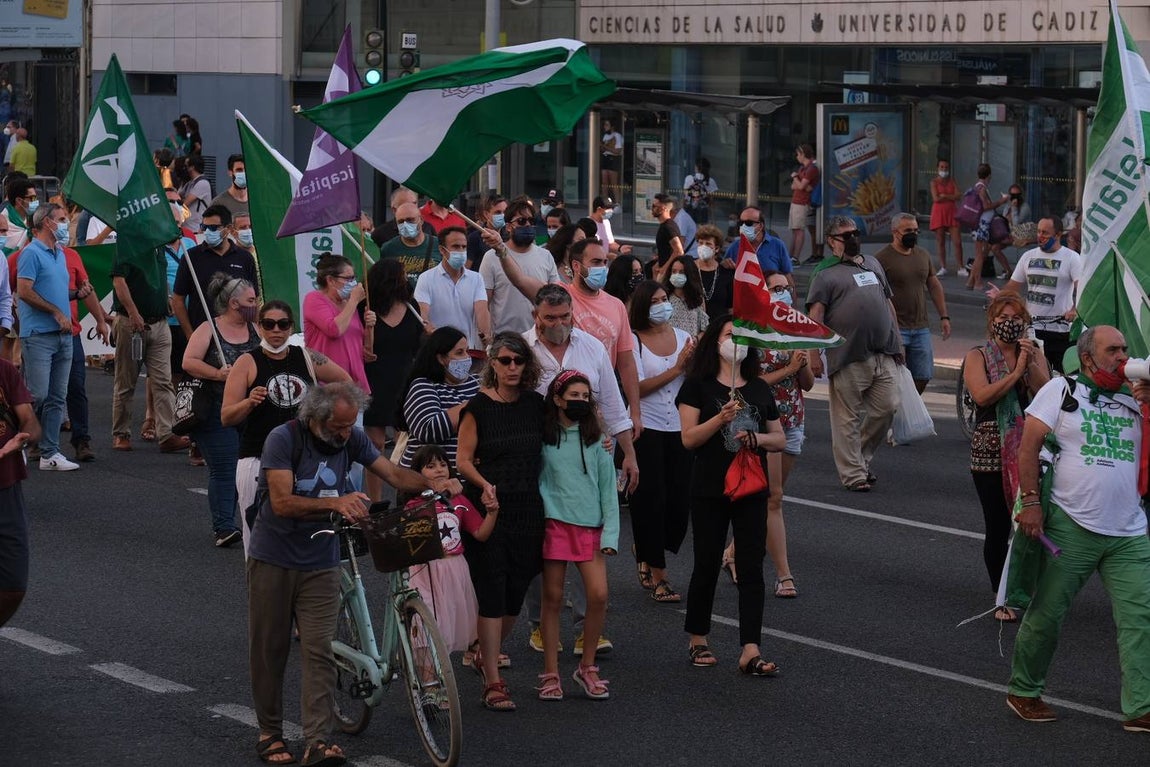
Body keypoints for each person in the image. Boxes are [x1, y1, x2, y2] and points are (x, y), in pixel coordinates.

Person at [247, 382, 454, 766]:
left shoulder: (353, 439)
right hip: (274, 558)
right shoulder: (283, 439)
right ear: (314, 418)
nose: (344, 435)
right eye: (337, 427)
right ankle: (270, 732)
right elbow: (281, 502)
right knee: (270, 650)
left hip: (322, 559)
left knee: (319, 652)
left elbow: (392, 473)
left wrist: (435, 484)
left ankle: (317, 741)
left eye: (348, 426)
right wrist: (336, 502)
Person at [1005, 325, 1150, 732]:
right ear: (1088, 358)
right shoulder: (1060, 390)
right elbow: (1028, 446)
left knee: (1140, 620)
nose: (1123, 357)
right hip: (1071, 525)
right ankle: (1025, 690)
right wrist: (1031, 502)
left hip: (1129, 531)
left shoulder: (1137, 399)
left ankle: (1141, 707)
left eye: (1125, 349)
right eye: (1113, 350)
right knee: (1048, 614)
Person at [677, 315, 785, 675]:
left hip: (751, 487)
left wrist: (756, 439)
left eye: (741, 336)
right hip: (709, 487)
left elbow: (779, 438)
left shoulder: (757, 387)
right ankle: (697, 638)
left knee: (752, 566)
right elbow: (689, 438)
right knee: (706, 563)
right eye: (729, 334)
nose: (735, 341)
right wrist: (719, 420)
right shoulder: (698, 386)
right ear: (715, 341)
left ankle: (750, 648)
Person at [455, 332, 547, 711]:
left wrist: (603, 441)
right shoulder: (477, 408)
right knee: (492, 587)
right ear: (492, 363)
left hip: (529, 506)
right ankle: (493, 678)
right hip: (490, 508)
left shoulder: (536, 405)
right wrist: (483, 485)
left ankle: (483, 651)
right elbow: (462, 460)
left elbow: (566, 435)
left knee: (517, 589)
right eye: (505, 360)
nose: (512, 367)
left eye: (518, 361)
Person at [221, 300, 351, 554]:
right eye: (269, 324)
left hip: (304, 459)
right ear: (259, 327)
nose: (276, 330)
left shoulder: (307, 356)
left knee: (307, 532)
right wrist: (249, 402)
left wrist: (324, 410)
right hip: (257, 457)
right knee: (257, 535)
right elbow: (226, 416)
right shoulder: (246, 362)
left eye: (283, 324)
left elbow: (345, 381)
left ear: (291, 327)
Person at [962, 293, 1049, 622]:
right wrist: (1014, 375)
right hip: (989, 448)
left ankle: (1027, 587)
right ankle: (1002, 595)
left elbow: (1047, 393)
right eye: (1003, 317)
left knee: (1032, 522)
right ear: (992, 321)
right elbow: (982, 394)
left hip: (1029, 445)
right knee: (998, 525)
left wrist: (1030, 365)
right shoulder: (978, 355)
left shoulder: (1032, 351)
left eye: (1015, 317)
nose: (1009, 323)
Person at [536, 370, 618, 701]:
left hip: (590, 526)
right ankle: (551, 673)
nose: (580, 402)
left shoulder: (597, 439)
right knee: (552, 599)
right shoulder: (543, 438)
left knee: (598, 595)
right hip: (554, 524)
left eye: (586, 397)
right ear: (557, 399)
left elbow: (608, 489)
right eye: (574, 396)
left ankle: (586, 667)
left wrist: (610, 535)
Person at [807, 216, 902, 492]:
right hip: (847, 355)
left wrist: (899, 342)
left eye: (855, 233)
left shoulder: (872, 263)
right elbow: (816, 316)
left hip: (883, 352)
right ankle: (853, 475)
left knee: (888, 406)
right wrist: (814, 355)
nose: (852, 239)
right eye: (845, 235)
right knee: (846, 418)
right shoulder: (825, 274)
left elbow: (887, 304)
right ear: (832, 242)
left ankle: (859, 457)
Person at [182, 274, 261, 547]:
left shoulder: (258, 329)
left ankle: (253, 520)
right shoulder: (209, 329)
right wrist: (218, 373)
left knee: (252, 467)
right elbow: (189, 362)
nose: (256, 304)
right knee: (226, 467)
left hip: (251, 408)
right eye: (251, 300)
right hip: (215, 408)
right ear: (234, 303)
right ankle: (224, 526)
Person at [629, 281, 694, 601]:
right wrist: (678, 368)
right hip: (647, 428)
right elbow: (636, 388)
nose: (661, 305)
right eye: (654, 300)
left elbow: (695, 380)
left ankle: (646, 547)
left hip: (681, 429)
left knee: (679, 504)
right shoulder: (633, 341)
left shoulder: (684, 339)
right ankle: (660, 576)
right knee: (651, 502)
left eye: (664, 299)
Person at [405, 444, 493, 652]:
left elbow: (480, 533)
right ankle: (428, 679)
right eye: (431, 466)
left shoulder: (459, 500)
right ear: (417, 474)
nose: (439, 470)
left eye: (443, 465)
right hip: (425, 569)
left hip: (456, 568)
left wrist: (492, 512)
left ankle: (460, 661)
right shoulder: (413, 505)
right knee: (425, 623)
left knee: (455, 618)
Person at [110, 239, 188, 454]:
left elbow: (158, 281)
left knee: (163, 381)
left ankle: (167, 433)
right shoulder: (127, 246)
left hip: (159, 322)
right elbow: (119, 281)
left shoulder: (159, 249)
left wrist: (166, 300)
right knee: (126, 382)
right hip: (131, 323)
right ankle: (121, 434)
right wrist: (134, 313)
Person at [15, 203, 78, 471]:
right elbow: (24, 291)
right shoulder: (31, 253)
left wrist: (76, 296)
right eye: (61, 219)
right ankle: (15, 443)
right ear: (46, 223)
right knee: (37, 394)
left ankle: (49, 453)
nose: (65, 224)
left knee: (56, 396)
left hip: (63, 335)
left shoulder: (59, 253)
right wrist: (55, 312)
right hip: (39, 335)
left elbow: (55, 290)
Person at [987, 217, 1080, 374]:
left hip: (1060, 330)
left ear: (1057, 235)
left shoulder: (1071, 258)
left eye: (1045, 233)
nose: (1040, 236)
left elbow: (1081, 287)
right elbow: (1013, 286)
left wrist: (1074, 309)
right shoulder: (1028, 256)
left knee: (1060, 374)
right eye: (1038, 232)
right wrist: (1000, 296)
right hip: (1032, 328)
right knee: (1029, 372)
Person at [362, 259, 423, 492]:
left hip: (404, 380)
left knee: (404, 444)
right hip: (374, 378)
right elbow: (364, 349)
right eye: (402, 275)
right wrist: (369, 327)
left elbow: (418, 345)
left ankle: (405, 496)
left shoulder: (411, 306)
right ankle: (376, 502)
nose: (406, 280)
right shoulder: (366, 308)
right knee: (375, 444)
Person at [875, 212, 951, 394]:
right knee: (895, 375)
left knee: (924, 374)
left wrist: (944, 316)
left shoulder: (922, 255)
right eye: (908, 230)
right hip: (895, 328)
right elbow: (874, 294)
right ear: (895, 232)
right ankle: (898, 408)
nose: (913, 234)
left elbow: (933, 285)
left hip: (920, 327)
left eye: (916, 230)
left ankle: (910, 403)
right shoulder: (882, 258)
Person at [396, 326, 480, 468]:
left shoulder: (477, 383)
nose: (466, 358)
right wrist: (476, 404)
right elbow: (429, 430)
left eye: (467, 351)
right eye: (459, 353)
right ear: (441, 358)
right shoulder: (423, 386)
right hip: (427, 478)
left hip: (469, 476)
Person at [172, 205, 260, 339]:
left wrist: (255, 332)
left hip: (240, 335)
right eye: (204, 227)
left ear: (228, 229)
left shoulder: (244, 258)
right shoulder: (191, 257)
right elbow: (178, 300)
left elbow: (254, 300)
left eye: (213, 228)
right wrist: (190, 335)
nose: (207, 231)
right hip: (204, 336)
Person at [478, 199, 560, 334]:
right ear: (509, 226)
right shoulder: (491, 257)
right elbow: (483, 302)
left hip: (540, 338)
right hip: (505, 339)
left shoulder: (546, 256)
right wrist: (486, 336)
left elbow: (556, 296)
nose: (527, 225)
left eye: (531, 221)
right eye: (521, 221)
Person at [0, 356, 39, 629]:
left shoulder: (4, 370)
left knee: (13, 586)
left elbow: (30, 421)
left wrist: (24, 436)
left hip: (6, 486)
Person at [304, 253, 375, 396]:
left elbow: (366, 351)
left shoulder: (348, 305)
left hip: (355, 386)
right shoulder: (314, 299)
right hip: (327, 386)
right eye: (348, 278)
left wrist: (370, 326)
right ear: (330, 280)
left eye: (354, 278)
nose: (353, 283)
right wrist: (354, 301)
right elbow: (334, 330)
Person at [413, 226, 491, 352]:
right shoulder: (426, 279)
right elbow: (423, 312)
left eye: (464, 247)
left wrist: (486, 334)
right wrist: (427, 326)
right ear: (442, 250)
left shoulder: (476, 279)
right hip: (438, 352)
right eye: (455, 246)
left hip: (467, 351)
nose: (460, 251)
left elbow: (482, 310)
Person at [724, 206, 794, 291]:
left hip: (771, 298)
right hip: (744, 299)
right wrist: (724, 265)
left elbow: (788, 277)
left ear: (760, 225)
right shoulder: (734, 247)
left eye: (748, 223)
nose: (743, 226)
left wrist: (792, 303)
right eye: (741, 223)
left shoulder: (777, 245)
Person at [966, 163, 1012, 291]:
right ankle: (977, 281)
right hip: (982, 225)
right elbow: (985, 206)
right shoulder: (982, 188)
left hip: (979, 225)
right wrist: (1001, 201)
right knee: (980, 254)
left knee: (983, 252)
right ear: (989, 176)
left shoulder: (977, 187)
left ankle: (970, 281)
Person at [380, 201, 440, 289]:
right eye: (400, 221)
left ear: (421, 220)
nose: (405, 225)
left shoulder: (439, 245)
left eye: (410, 220)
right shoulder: (388, 249)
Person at [930, 159, 964, 277]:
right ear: (938, 168)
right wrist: (951, 197)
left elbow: (959, 195)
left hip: (952, 213)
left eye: (946, 167)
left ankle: (961, 267)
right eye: (942, 167)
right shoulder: (934, 182)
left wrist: (945, 195)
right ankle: (943, 267)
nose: (944, 170)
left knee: (957, 241)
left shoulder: (951, 181)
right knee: (941, 242)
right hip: (939, 214)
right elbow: (936, 199)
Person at [695, 224, 734, 321]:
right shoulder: (688, 268)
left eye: (708, 244)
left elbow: (731, 307)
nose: (703, 246)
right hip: (693, 328)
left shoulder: (726, 272)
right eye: (700, 243)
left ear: (716, 248)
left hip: (718, 327)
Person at [662, 256, 709, 336]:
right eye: (674, 271)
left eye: (681, 272)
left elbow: (704, 328)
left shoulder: (698, 298)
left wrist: (696, 340)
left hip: (691, 346)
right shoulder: (664, 297)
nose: (677, 275)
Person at [789, 145, 819, 263]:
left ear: (802, 154)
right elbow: (795, 186)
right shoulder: (803, 168)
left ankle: (795, 257)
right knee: (794, 229)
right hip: (796, 201)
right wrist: (800, 184)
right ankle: (791, 255)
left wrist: (795, 177)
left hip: (802, 203)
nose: (797, 157)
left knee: (799, 230)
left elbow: (801, 186)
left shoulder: (811, 169)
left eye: (798, 154)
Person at [467, 193, 506, 269]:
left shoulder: (510, 236)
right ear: (486, 214)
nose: (502, 215)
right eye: (498, 212)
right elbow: (466, 268)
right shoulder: (475, 238)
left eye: (505, 212)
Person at [649, 194, 683, 282]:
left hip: (667, 274)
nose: (652, 208)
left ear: (663, 208)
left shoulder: (668, 227)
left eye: (654, 206)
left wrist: (664, 268)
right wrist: (657, 265)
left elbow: (679, 251)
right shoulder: (665, 226)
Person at [178, 155, 212, 233]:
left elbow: (185, 203)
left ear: (192, 167)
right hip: (187, 228)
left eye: (186, 165)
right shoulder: (190, 183)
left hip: (195, 228)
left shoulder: (202, 183)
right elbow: (178, 196)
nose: (184, 168)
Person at [210, 154, 248, 218]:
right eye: (239, 170)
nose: (243, 173)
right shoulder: (218, 203)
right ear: (230, 173)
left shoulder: (258, 202)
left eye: (246, 169)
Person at [683, 158, 718, 225]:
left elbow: (685, 197)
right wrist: (713, 220)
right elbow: (711, 202)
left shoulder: (689, 178)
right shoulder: (711, 181)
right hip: (703, 211)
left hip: (690, 210)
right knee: (702, 232)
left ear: (696, 167)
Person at [601, 118, 623, 200]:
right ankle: (605, 200)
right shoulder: (606, 136)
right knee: (604, 182)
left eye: (607, 125)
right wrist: (603, 147)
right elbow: (603, 148)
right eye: (604, 125)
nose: (605, 127)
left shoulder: (617, 135)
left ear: (612, 126)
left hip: (613, 158)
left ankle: (617, 202)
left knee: (613, 183)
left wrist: (606, 147)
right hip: (605, 157)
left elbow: (618, 151)